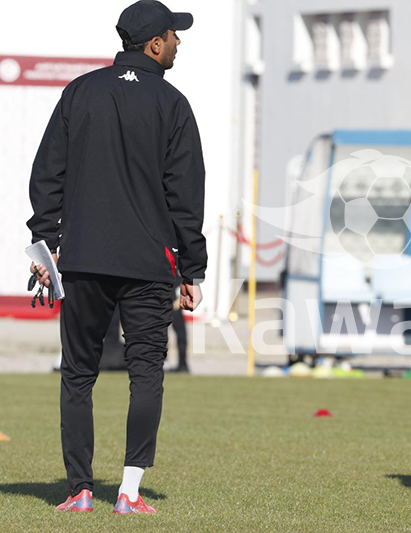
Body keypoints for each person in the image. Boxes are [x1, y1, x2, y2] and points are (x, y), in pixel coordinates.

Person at [28, 0, 206, 514]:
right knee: (146, 370)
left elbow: (47, 176)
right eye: (175, 35)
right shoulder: (173, 103)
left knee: (78, 374)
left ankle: (79, 491)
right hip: (149, 264)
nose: (179, 42)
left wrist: (47, 242)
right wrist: (193, 268)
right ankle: (128, 492)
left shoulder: (79, 92)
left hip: (82, 259)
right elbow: (185, 195)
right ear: (154, 44)